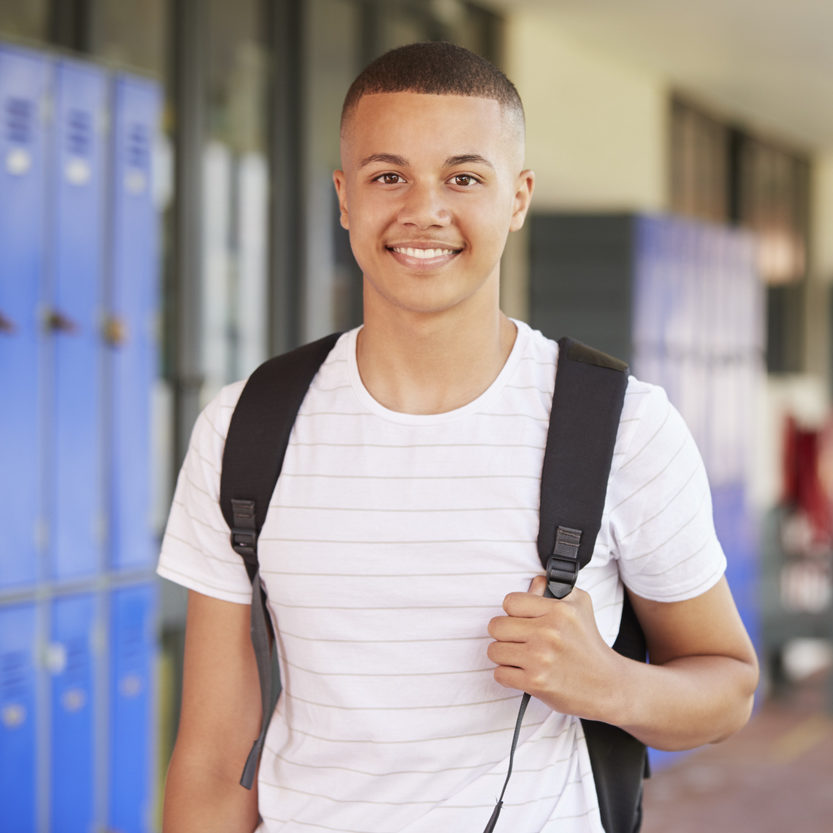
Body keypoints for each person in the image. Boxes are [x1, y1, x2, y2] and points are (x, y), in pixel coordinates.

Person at [158, 41, 758, 833]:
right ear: (344, 198)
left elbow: (726, 688)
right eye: (387, 176)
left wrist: (606, 682)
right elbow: (210, 753)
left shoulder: (620, 427)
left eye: (464, 177)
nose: (423, 209)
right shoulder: (246, 424)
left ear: (518, 197)